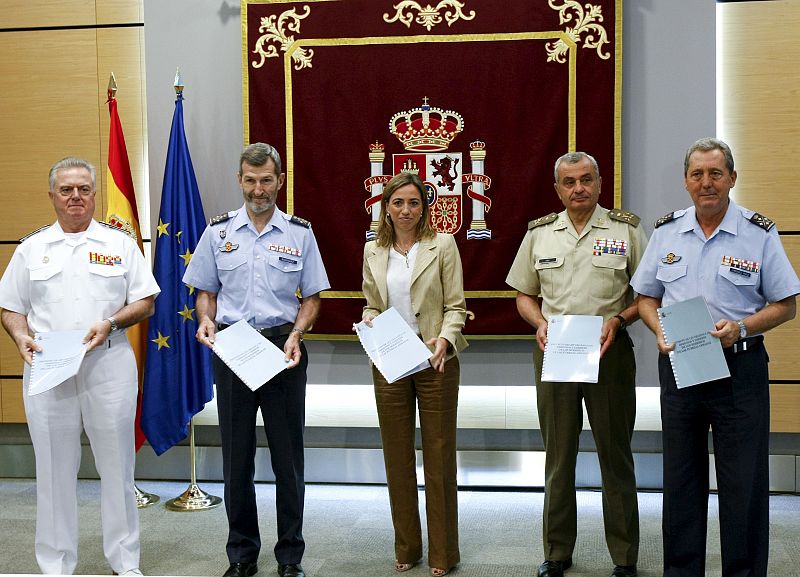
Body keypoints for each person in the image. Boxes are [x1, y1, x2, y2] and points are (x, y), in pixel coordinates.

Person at [631, 137, 800, 577]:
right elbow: (646, 296)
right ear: (686, 182)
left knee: (743, 483)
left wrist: (741, 328)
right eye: (697, 174)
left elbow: (786, 304)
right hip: (681, 365)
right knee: (682, 480)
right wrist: (659, 328)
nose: (706, 183)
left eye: (715, 174)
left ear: (732, 179)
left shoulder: (758, 232)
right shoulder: (667, 231)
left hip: (739, 368)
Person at [0, 157, 159, 575]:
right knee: (52, 470)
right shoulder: (32, 248)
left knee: (118, 468)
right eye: (67, 190)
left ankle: (125, 562)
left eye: (84, 189)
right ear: (52, 195)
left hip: (108, 365)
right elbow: (11, 307)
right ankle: (55, 564)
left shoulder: (120, 244)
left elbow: (145, 300)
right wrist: (19, 336)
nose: (76, 197)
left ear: (94, 195)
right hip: (49, 365)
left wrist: (111, 322)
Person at [184, 142, 329, 577]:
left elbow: (313, 297)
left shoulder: (299, 234)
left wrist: (299, 334)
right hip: (232, 349)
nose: (259, 188)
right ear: (239, 180)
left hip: (283, 349)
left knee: (289, 460)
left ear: (279, 181)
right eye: (251, 179)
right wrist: (206, 321)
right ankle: (242, 554)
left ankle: (290, 557)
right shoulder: (218, 232)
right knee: (237, 458)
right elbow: (205, 292)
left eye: (267, 180)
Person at [506, 152, 646, 577]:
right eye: (569, 182)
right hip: (557, 352)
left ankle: (624, 557)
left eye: (586, 179)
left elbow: (648, 294)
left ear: (601, 183)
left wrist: (619, 320)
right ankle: (556, 552)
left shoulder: (626, 230)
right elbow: (524, 295)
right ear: (558, 189)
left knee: (615, 457)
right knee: (558, 456)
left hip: (610, 351)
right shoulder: (541, 234)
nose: (578, 188)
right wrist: (540, 323)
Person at [360, 172, 468, 577]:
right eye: (398, 203)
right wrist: (369, 319)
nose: (406, 210)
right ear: (385, 207)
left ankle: (443, 554)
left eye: (414, 203)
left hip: (435, 362)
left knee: (439, 457)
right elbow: (371, 304)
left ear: (425, 207)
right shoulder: (374, 250)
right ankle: (407, 545)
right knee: (397, 456)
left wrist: (444, 339)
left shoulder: (442, 245)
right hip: (391, 362)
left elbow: (456, 306)